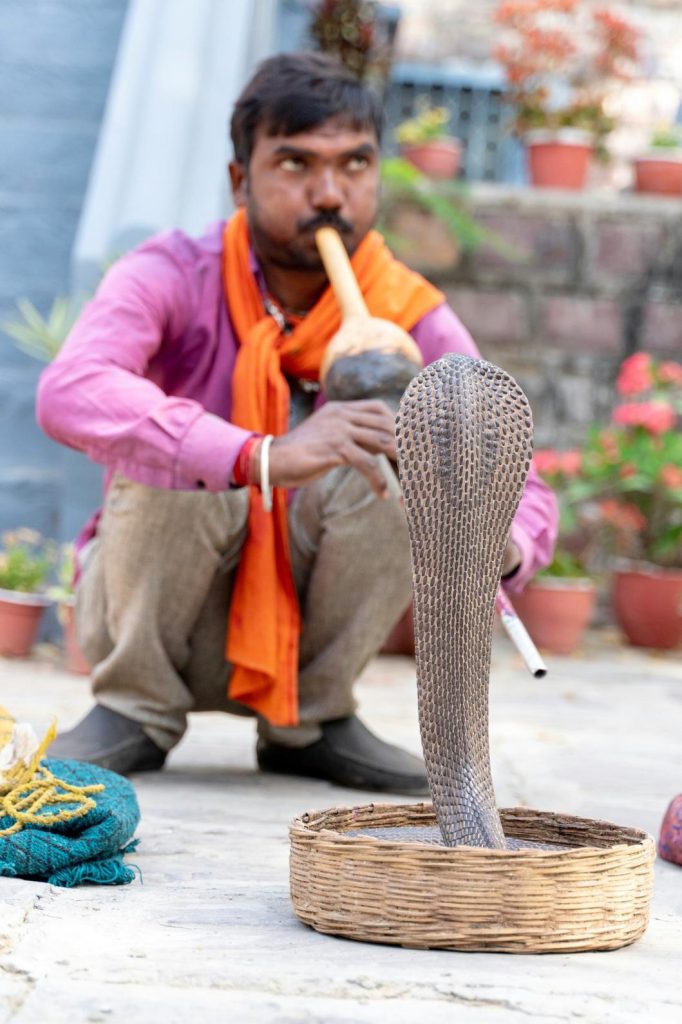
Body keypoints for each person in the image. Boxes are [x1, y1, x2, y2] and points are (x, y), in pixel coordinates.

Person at [37, 52, 558, 791]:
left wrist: (496, 541)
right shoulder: (172, 272)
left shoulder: (407, 310)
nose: (328, 193)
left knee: (396, 465)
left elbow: (522, 476)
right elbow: (71, 389)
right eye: (295, 164)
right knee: (190, 455)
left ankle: (311, 721)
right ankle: (134, 707)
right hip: (165, 615)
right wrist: (260, 454)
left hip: (307, 618)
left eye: (354, 165)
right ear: (239, 180)